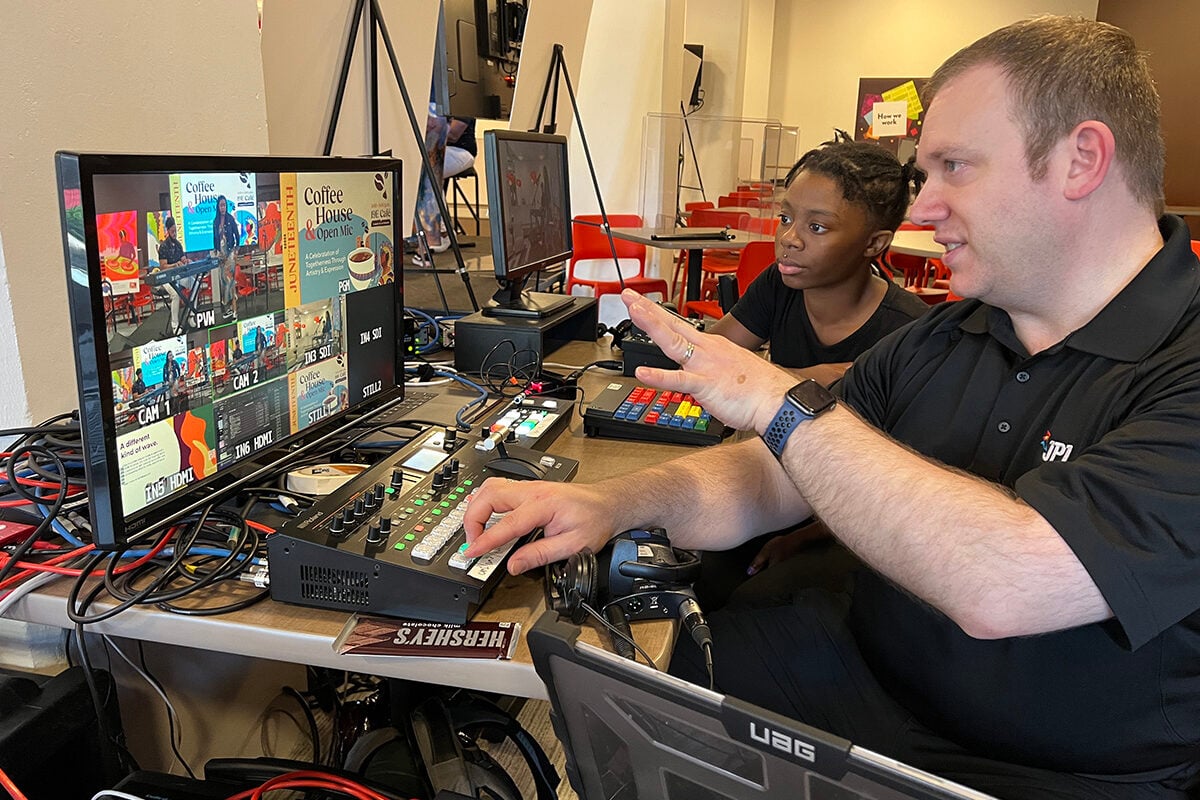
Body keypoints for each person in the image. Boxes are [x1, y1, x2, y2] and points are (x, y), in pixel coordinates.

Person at [463, 16, 1200, 799]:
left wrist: (775, 399)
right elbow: (775, 474)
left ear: (1082, 160)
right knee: (626, 698)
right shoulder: (951, 335)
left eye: (956, 168)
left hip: (1062, 770)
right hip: (866, 677)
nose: (923, 211)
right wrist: (612, 504)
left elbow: (1005, 582)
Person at [700, 141, 931, 608]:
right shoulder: (780, 284)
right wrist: (809, 377)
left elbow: (897, 490)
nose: (790, 238)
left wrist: (806, 537)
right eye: (786, 219)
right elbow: (714, 359)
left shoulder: (908, 335)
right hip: (773, 490)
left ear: (875, 243)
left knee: (746, 603)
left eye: (817, 227)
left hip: (846, 526)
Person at [155, 216, 186, 334]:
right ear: (168, 231)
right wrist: (174, 265)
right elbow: (163, 266)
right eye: (172, 231)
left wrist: (186, 261)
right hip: (166, 278)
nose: (175, 233)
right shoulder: (163, 246)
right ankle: (175, 326)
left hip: (178, 276)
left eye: (176, 231)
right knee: (175, 294)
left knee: (194, 283)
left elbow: (183, 258)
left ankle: (191, 315)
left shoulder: (178, 245)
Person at [212, 195, 239, 319]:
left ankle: (234, 311)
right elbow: (215, 238)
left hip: (230, 254)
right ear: (218, 206)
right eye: (221, 205)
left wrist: (237, 248)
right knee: (224, 282)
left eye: (224, 205)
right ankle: (227, 309)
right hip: (221, 255)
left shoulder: (230, 219)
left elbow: (237, 235)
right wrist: (216, 250)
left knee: (231, 281)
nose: (222, 207)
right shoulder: (215, 221)